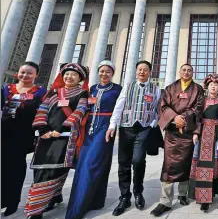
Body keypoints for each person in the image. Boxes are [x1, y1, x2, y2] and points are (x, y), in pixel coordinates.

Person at [24, 63, 89, 219]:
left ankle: (35, 211)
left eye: (74, 74)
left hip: (64, 138)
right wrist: (43, 130)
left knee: (54, 170)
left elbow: (79, 112)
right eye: (67, 74)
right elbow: (42, 110)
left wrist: (59, 130)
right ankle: (54, 196)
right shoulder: (53, 92)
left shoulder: (82, 93)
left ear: (80, 78)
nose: (69, 77)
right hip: (46, 137)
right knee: (40, 171)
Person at [66, 61, 122, 219]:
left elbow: (120, 110)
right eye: (102, 71)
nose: (104, 74)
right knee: (84, 164)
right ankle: (95, 201)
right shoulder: (92, 89)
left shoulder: (117, 89)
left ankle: (78, 207)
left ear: (112, 73)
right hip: (88, 129)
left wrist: (113, 126)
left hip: (104, 129)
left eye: (108, 72)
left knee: (91, 164)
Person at [106, 60, 160, 216]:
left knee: (138, 160)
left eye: (145, 70)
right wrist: (112, 125)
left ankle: (138, 192)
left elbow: (157, 110)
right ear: (136, 72)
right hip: (126, 127)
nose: (142, 72)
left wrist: (152, 124)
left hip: (144, 128)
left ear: (150, 72)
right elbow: (119, 106)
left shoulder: (155, 89)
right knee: (123, 162)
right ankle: (124, 196)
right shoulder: (128, 87)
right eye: (139, 69)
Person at [151, 64, 204, 217]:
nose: (186, 72)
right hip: (172, 132)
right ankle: (165, 201)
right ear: (179, 72)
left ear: (193, 73)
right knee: (169, 165)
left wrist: (184, 119)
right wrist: (175, 118)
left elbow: (198, 108)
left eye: (189, 70)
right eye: (184, 70)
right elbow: (162, 106)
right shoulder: (170, 88)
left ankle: (182, 194)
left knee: (185, 163)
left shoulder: (197, 89)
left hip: (187, 132)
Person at [1, 62, 47, 217]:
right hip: (3, 132)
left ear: (36, 75)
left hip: (23, 135)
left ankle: (12, 202)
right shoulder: (6, 89)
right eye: (22, 72)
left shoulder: (40, 93)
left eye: (29, 73)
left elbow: (43, 113)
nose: (25, 76)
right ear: (17, 73)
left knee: (15, 169)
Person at [188, 73, 218, 212]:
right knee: (201, 165)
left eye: (216, 85)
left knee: (213, 166)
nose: (213, 87)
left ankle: (210, 196)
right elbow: (198, 118)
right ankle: (202, 198)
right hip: (203, 134)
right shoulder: (202, 100)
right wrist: (195, 133)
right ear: (207, 86)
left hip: (215, 135)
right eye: (211, 84)